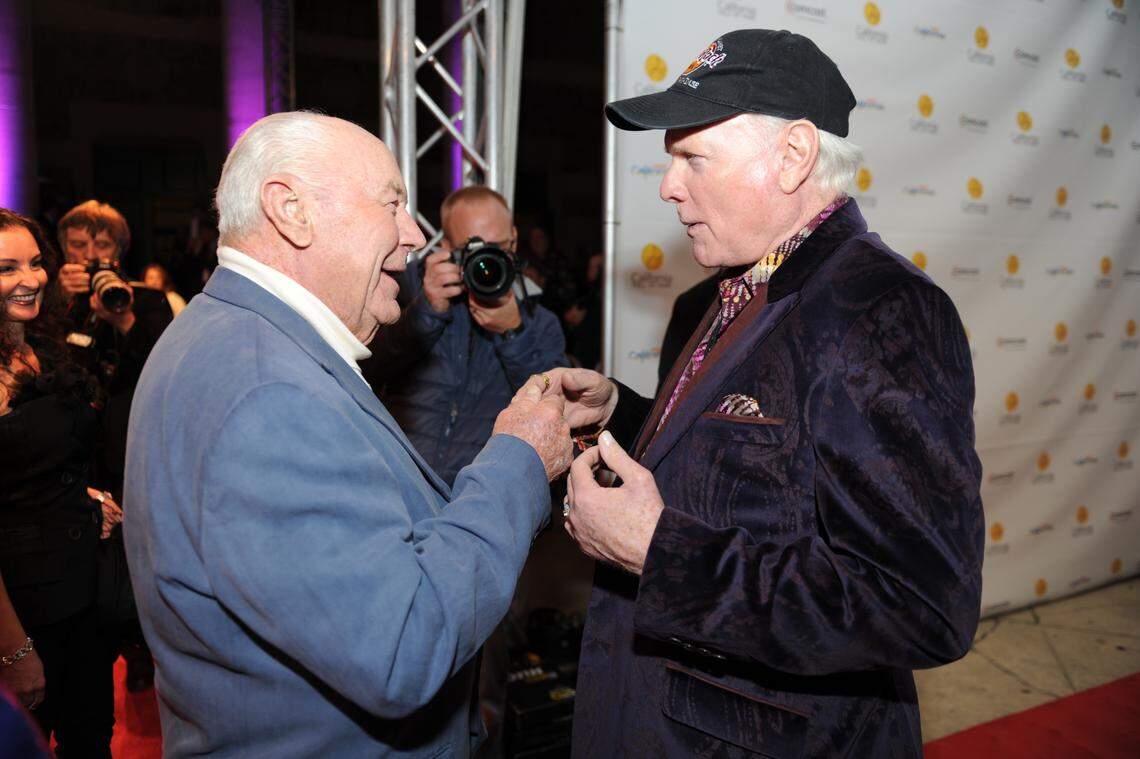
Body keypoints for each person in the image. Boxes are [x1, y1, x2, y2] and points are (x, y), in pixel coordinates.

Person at [536, 30, 984, 757]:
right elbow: (755, 466)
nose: (667, 184)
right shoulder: (715, 296)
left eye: (692, 157)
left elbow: (921, 605)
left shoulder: (880, 308)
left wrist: (660, 549)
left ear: (794, 155)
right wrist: (625, 410)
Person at [123, 111, 573, 757]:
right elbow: (403, 645)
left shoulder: (231, 335)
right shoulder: (268, 395)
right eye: (392, 203)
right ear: (291, 210)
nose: (412, 235)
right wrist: (521, 457)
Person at [0, 208, 123, 757]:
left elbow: (37, 462)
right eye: (6, 269)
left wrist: (86, 496)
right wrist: (15, 652)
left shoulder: (35, 346)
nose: (31, 279)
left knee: (91, 739)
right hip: (24, 611)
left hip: (82, 597)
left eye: (35, 263)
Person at [364, 186, 567, 486]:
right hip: (399, 480)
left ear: (513, 238)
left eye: (497, 246)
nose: (485, 261)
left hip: (480, 489)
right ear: (446, 246)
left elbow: (551, 411)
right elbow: (372, 366)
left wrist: (513, 333)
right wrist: (427, 311)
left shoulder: (539, 321)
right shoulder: (405, 291)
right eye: (473, 249)